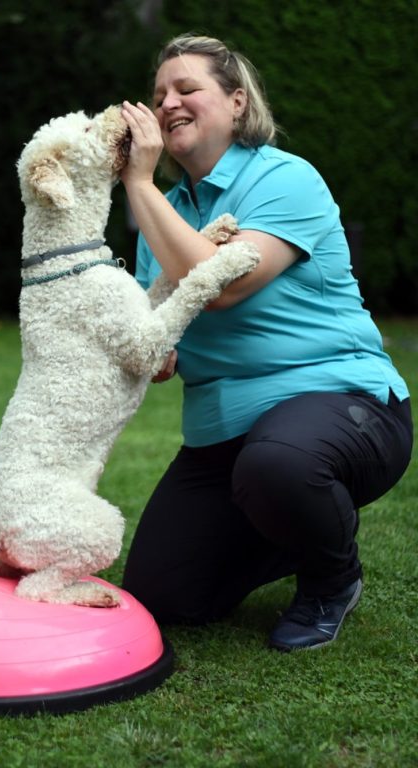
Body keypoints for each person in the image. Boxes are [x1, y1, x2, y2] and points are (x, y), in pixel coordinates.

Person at [119, 34, 413, 651]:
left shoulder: (285, 178)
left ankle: (333, 576)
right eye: (158, 94)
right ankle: (299, 520)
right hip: (224, 436)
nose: (168, 103)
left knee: (280, 464)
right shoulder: (166, 213)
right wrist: (155, 351)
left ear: (235, 100)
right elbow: (164, 320)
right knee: (164, 595)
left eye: (186, 89)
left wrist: (138, 183)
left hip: (343, 404)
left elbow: (223, 286)